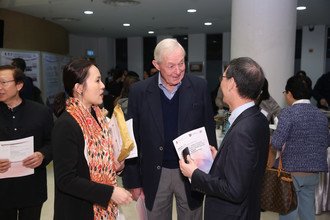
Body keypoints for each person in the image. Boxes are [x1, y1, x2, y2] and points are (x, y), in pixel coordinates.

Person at [122, 38, 217, 220]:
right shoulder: (139, 92)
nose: (178, 71)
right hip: (155, 172)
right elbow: (131, 140)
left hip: (191, 170)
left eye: (181, 63)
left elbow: (208, 129)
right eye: (171, 66)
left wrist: (208, 174)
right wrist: (133, 181)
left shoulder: (199, 87)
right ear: (156, 65)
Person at [179, 57, 270, 220]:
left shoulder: (243, 130)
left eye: (223, 77)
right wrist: (220, 160)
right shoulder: (258, 118)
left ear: (232, 83)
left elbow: (234, 190)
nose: (221, 82)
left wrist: (194, 174)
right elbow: (246, 169)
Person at [51, 59, 132, 220]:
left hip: (103, 209)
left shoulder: (98, 115)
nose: (103, 85)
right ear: (79, 88)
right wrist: (110, 192)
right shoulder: (67, 124)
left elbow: (102, 157)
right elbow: (66, 180)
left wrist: (117, 165)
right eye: (97, 80)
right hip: (79, 210)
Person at [271, 74, 329, 220]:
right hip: (313, 172)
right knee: (307, 212)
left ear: (290, 93)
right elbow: (326, 142)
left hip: (290, 172)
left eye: (285, 93)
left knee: (288, 212)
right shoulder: (321, 115)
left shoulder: (288, 113)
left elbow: (277, 143)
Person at [0, 65, 53, 220]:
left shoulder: (40, 112)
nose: (0, 88)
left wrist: (43, 155)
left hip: (32, 187)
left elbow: (52, 142)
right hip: (2, 190)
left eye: (3, 82)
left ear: (19, 85)